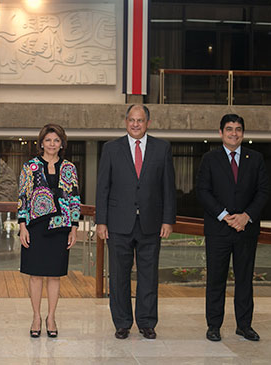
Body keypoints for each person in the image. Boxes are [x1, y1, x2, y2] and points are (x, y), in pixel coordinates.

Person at [96, 104, 176, 340]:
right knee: (118, 276)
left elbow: (168, 188)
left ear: (148, 123)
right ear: (125, 121)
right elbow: (103, 188)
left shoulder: (162, 148)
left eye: (140, 120)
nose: (135, 124)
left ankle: (146, 322)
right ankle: (122, 323)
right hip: (118, 224)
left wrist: (168, 220)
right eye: (131, 120)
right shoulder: (111, 148)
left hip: (151, 223)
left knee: (149, 276)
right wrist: (101, 221)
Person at [196, 114, 269, 342]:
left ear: (243, 133)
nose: (234, 133)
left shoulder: (255, 159)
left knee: (244, 278)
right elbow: (202, 191)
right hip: (219, 229)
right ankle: (214, 326)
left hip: (246, 229)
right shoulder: (210, 159)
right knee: (216, 279)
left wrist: (246, 216)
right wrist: (225, 216)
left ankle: (244, 325)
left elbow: (263, 191)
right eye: (229, 129)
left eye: (238, 129)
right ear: (221, 133)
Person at [17, 124, 80, 338]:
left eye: (56, 140)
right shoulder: (30, 166)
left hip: (61, 227)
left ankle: (51, 317)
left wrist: (74, 227)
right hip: (35, 226)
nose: (52, 144)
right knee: (35, 276)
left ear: (61, 143)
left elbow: (74, 198)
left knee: (55, 276)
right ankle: (36, 316)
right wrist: (22, 226)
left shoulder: (69, 167)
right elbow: (23, 198)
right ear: (41, 142)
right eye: (48, 140)